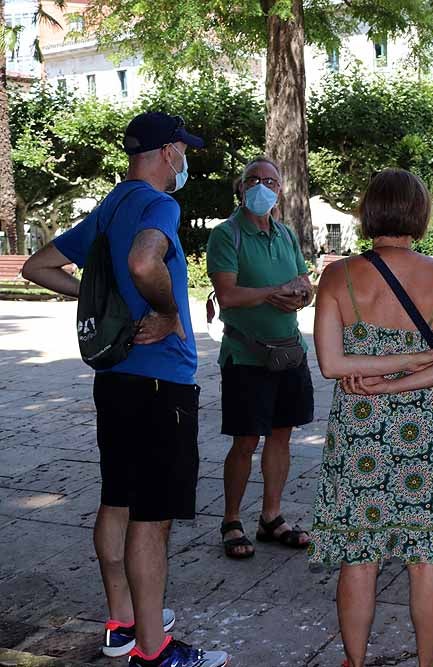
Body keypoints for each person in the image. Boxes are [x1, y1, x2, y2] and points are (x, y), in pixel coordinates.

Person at [21, 112, 231, 667]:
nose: (184, 159)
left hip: (115, 380)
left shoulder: (111, 205)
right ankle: (154, 649)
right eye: (182, 149)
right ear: (167, 152)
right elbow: (143, 262)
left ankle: (122, 623)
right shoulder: (159, 204)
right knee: (152, 517)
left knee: (117, 498)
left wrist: (101, 301)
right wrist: (167, 310)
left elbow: (38, 266)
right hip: (161, 382)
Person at [310, 169, 433, 667]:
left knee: (359, 556)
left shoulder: (338, 277)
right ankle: (428, 663)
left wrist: (382, 379)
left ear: (368, 211)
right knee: (426, 558)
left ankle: (354, 662)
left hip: (359, 428)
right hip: (428, 430)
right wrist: (409, 366)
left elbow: (332, 365)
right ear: (420, 214)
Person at [206, 157, 314, 560]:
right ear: (241, 187)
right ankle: (231, 520)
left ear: (280, 190)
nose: (261, 186)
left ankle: (271, 517)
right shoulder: (226, 235)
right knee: (245, 440)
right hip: (246, 356)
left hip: (289, 352)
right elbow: (227, 295)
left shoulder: (285, 234)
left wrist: (300, 296)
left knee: (281, 435)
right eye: (253, 179)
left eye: (270, 181)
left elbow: (305, 286)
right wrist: (274, 292)